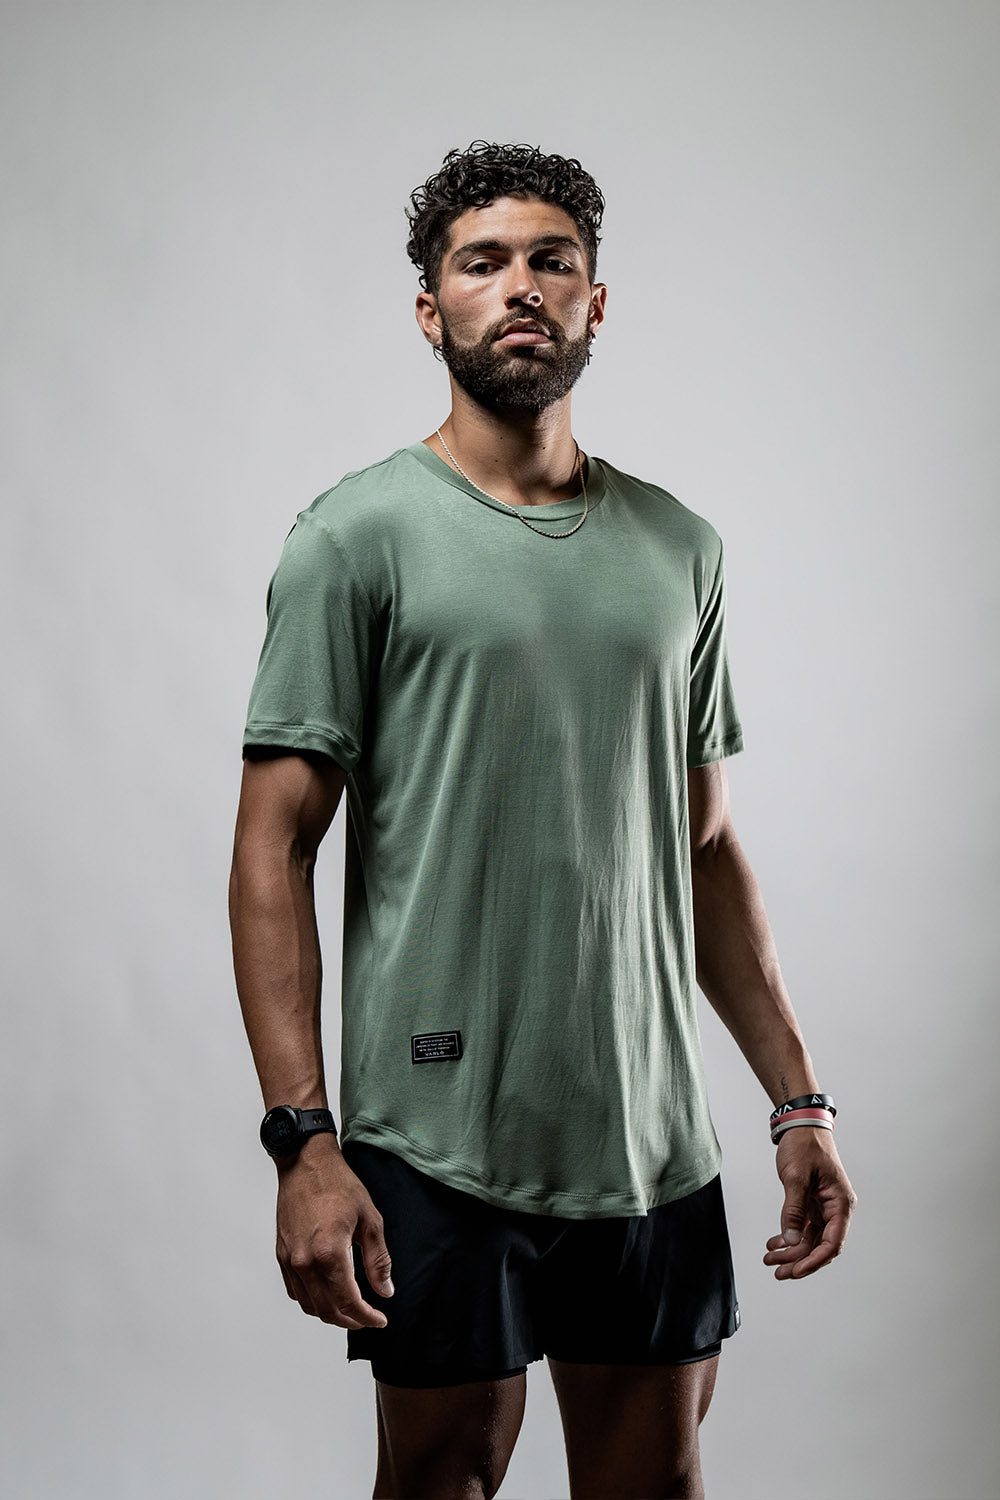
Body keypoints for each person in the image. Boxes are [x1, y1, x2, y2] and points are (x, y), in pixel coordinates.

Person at [229, 140, 856, 1500]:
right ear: (431, 310)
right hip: (437, 1138)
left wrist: (796, 1100)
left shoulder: (680, 546)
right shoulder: (354, 538)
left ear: (594, 300)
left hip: (649, 1138)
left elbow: (703, 846)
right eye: (484, 262)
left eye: (551, 261)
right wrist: (302, 1139)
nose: (521, 286)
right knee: (441, 1478)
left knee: (654, 1483)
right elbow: (273, 846)